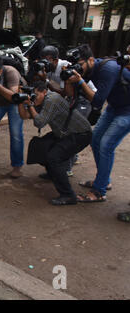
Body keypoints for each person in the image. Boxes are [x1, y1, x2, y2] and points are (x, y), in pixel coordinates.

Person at [62, 45, 130, 211]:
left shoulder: (108, 69)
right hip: (115, 107)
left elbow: (98, 102)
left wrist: (80, 81)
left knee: (106, 145)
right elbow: (72, 95)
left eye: (80, 64)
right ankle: (103, 180)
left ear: (91, 60)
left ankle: (99, 192)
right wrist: (70, 79)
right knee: (95, 139)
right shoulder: (89, 70)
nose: (78, 68)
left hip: (127, 110)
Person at [18, 81, 92, 205]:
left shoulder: (52, 99)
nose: (33, 97)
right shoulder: (41, 99)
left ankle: (68, 195)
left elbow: (39, 122)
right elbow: (24, 116)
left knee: (54, 157)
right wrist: (20, 101)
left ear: (44, 92)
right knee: (41, 146)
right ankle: (53, 174)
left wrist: (30, 105)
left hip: (79, 134)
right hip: (64, 133)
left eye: (36, 94)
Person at [36, 45, 96, 178]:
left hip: (84, 100)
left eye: (48, 59)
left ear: (55, 59)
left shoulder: (69, 67)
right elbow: (66, 93)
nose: (46, 62)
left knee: (72, 134)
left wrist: (51, 81)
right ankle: (62, 165)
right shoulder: (49, 69)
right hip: (72, 99)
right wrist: (44, 78)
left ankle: (66, 169)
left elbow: (65, 93)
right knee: (63, 133)